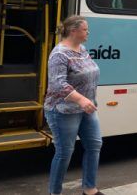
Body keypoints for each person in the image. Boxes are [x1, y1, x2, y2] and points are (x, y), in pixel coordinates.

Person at [44, 15, 103, 195]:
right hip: (63, 110)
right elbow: (58, 84)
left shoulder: (82, 49)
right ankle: (54, 192)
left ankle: (90, 189)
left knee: (94, 145)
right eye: (85, 29)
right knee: (64, 153)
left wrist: (88, 100)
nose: (88, 32)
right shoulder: (59, 54)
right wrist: (81, 99)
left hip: (86, 109)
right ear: (73, 31)